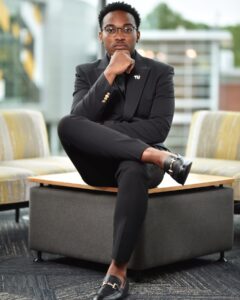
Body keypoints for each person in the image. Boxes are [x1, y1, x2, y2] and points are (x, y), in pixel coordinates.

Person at [58, 2, 192, 299]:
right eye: (111, 29)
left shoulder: (159, 73)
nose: (119, 35)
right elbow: (79, 122)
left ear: (138, 35)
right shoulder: (86, 73)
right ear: (100, 36)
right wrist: (109, 75)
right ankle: (160, 157)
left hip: (137, 168)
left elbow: (158, 129)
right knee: (67, 124)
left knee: (132, 166)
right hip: (101, 164)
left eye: (127, 29)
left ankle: (117, 270)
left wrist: (102, 132)